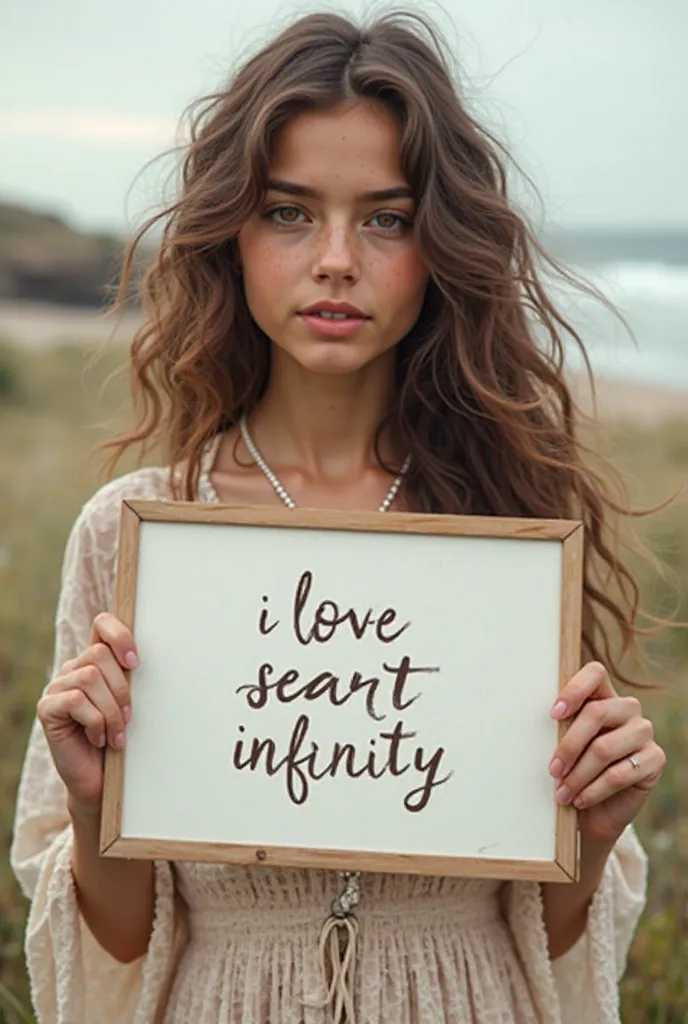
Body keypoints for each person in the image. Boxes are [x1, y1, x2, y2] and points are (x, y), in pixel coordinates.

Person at [11, 10, 666, 1024]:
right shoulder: (136, 532)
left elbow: (547, 928)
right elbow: (115, 945)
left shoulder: (508, 537)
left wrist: (591, 824)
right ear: (231, 231)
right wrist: (97, 805)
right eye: (287, 211)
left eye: (385, 218)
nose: (333, 258)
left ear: (438, 243)